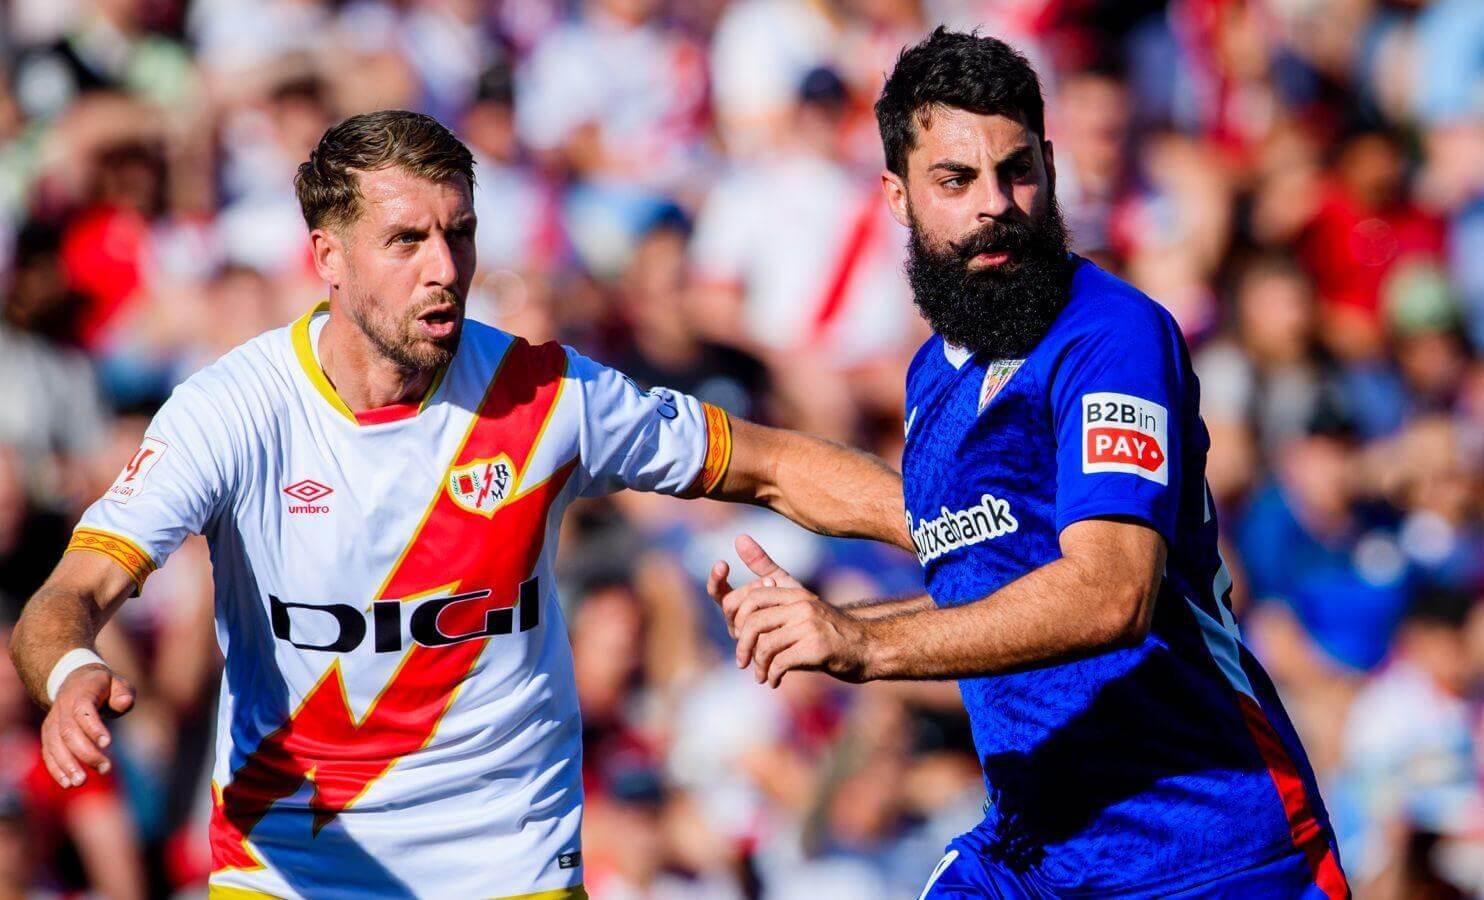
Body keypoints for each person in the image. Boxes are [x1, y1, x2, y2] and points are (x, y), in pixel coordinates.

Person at [8, 110, 908, 899]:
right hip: (291, 874)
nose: (445, 268)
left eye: (461, 234)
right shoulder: (233, 411)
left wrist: (952, 527)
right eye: (406, 241)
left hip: (508, 873)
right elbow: (69, 595)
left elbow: (773, 464)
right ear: (328, 256)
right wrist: (70, 674)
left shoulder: (542, 393)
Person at [711, 28, 1351, 898]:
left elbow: (1109, 593)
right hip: (1036, 854)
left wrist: (862, 643)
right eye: (955, 180)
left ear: (1052, 167)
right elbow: (969, 557)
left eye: (1018, 171)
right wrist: (824, 618)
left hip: (1207, 854)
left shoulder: (1111, 336)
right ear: (896, 197)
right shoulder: (934, 373)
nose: (995, 204)